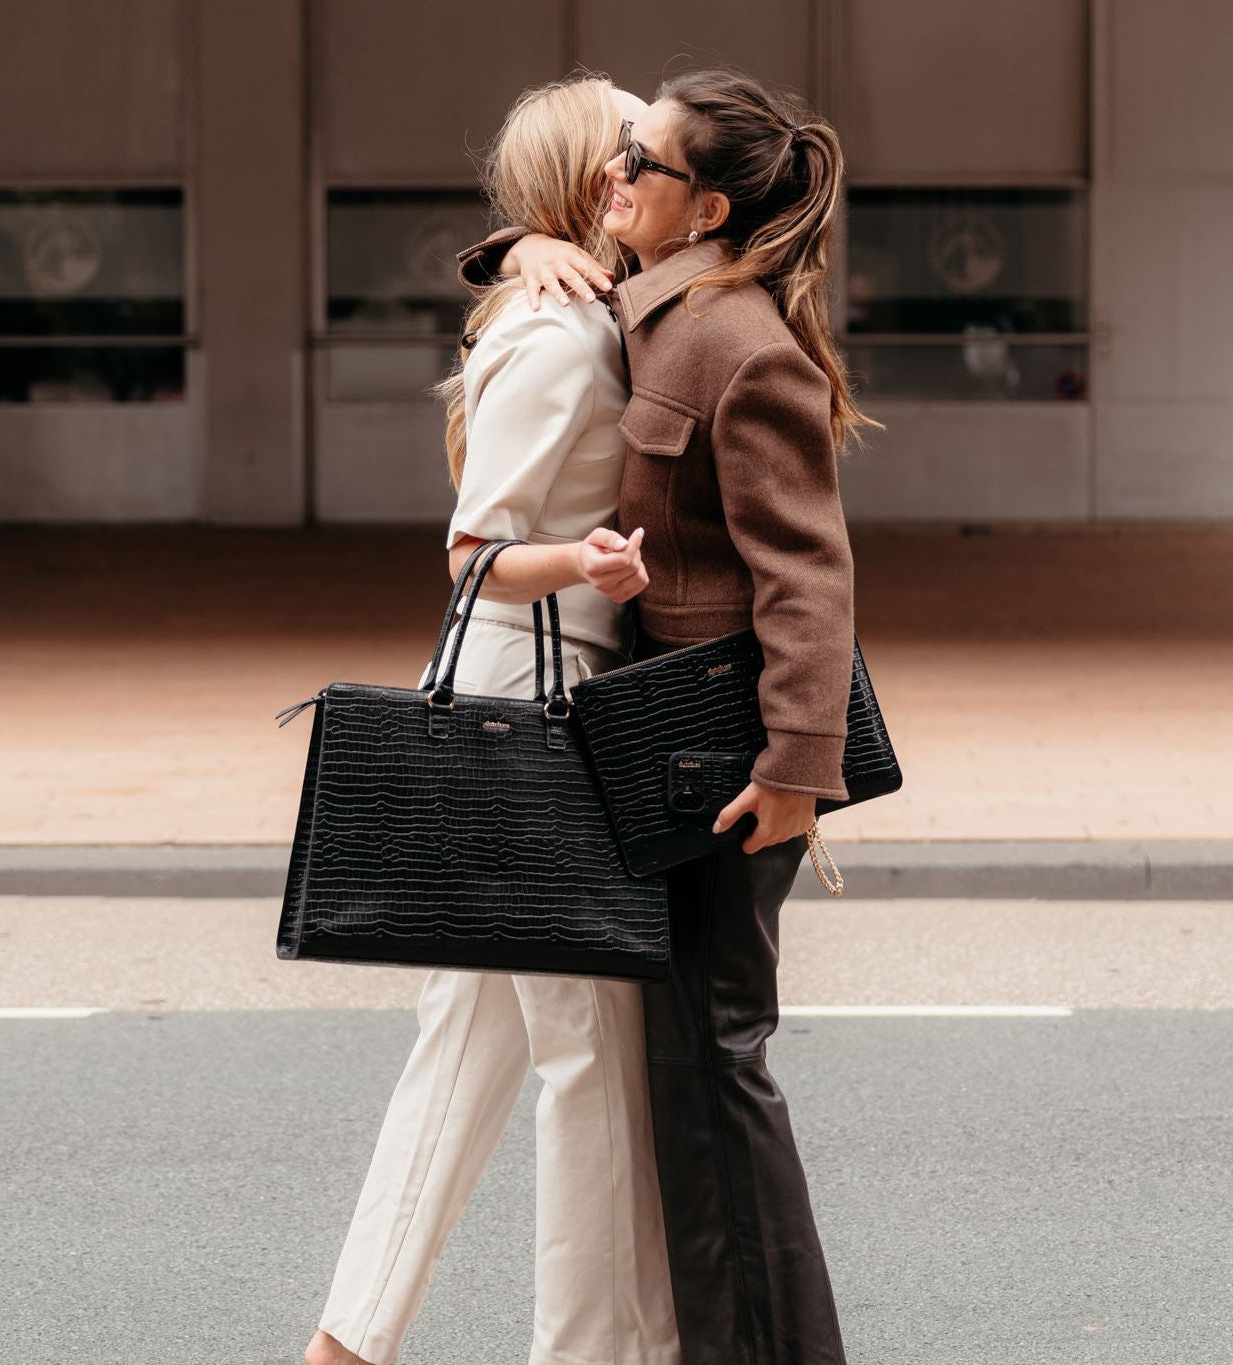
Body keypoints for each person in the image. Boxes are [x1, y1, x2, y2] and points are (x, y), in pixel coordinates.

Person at [456, 69, 884, 1365]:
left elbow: (808, 575)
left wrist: (798, 773)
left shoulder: (732, 340)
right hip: (672, 748)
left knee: (717, 1075)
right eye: (614, 156)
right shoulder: (665, 304)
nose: (610, 176)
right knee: (688, 1082)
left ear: (701, 205)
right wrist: (515, 245)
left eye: (636, 162)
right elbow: (562, 261)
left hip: (729, 757)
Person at [304, 76, 681, 1365]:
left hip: (525, 702)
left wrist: (523, 248)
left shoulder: (580, 302)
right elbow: (474, 551)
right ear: (594, 175)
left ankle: (347, 1347)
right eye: (630, 144)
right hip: (535, 711)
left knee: (464, 1054)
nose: (649, 159)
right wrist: (586, 562)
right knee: (591, 1057)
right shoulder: (563, 331)